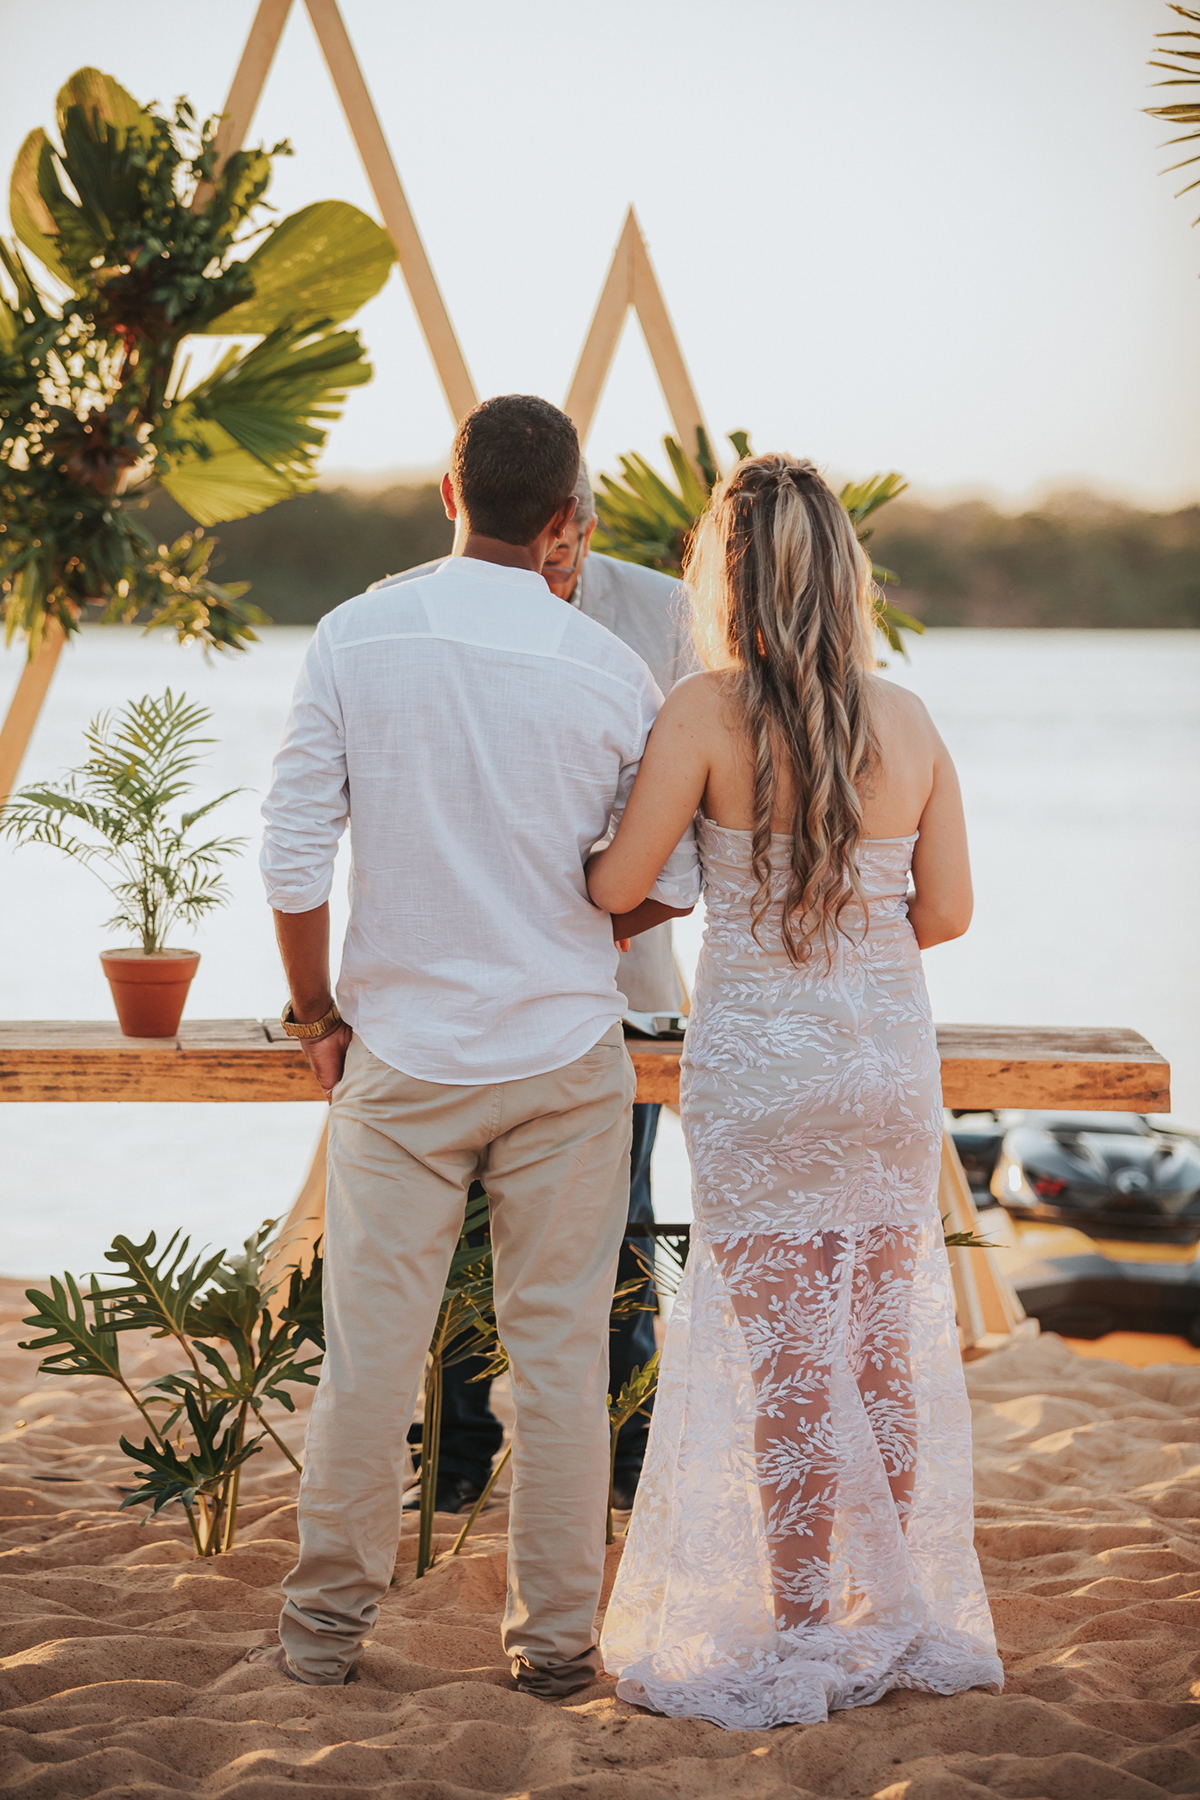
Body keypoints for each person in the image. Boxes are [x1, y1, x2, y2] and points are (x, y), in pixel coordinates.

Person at [250, 395, 698, 1695]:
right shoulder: (611, 672)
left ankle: (321, 1641)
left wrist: (316, 1014)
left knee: (370, 1361)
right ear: (567, 523)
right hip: (564, 1060)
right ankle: (555, 1655)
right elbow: (672, 874)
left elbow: (290, 854)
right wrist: (596, 936)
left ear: (448, 496)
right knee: (559, 1367)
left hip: (399, 1059)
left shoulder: (355, 636)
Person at [587, 453, 1004, 1728]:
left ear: (727, 576)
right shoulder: (913, 721)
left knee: (781, 1360)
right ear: (847, 574)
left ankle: (809, 1622)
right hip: (882, 1060)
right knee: (881, 1339)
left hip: (762, 1064)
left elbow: (616, 891)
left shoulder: (705, 713)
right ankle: (895, 1610)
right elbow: (948, 911)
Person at [372, 463, 695, 1514]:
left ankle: (630, 1458)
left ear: (584, 526)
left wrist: (579, 930)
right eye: (545, 548)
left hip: (620, 991)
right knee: (454, 1244)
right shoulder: (403, 614)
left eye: (572, 550)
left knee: (623, 1230)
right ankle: (456, 1458)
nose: (554, 569)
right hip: (442, 1003)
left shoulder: (666, 615)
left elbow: (697, 814)